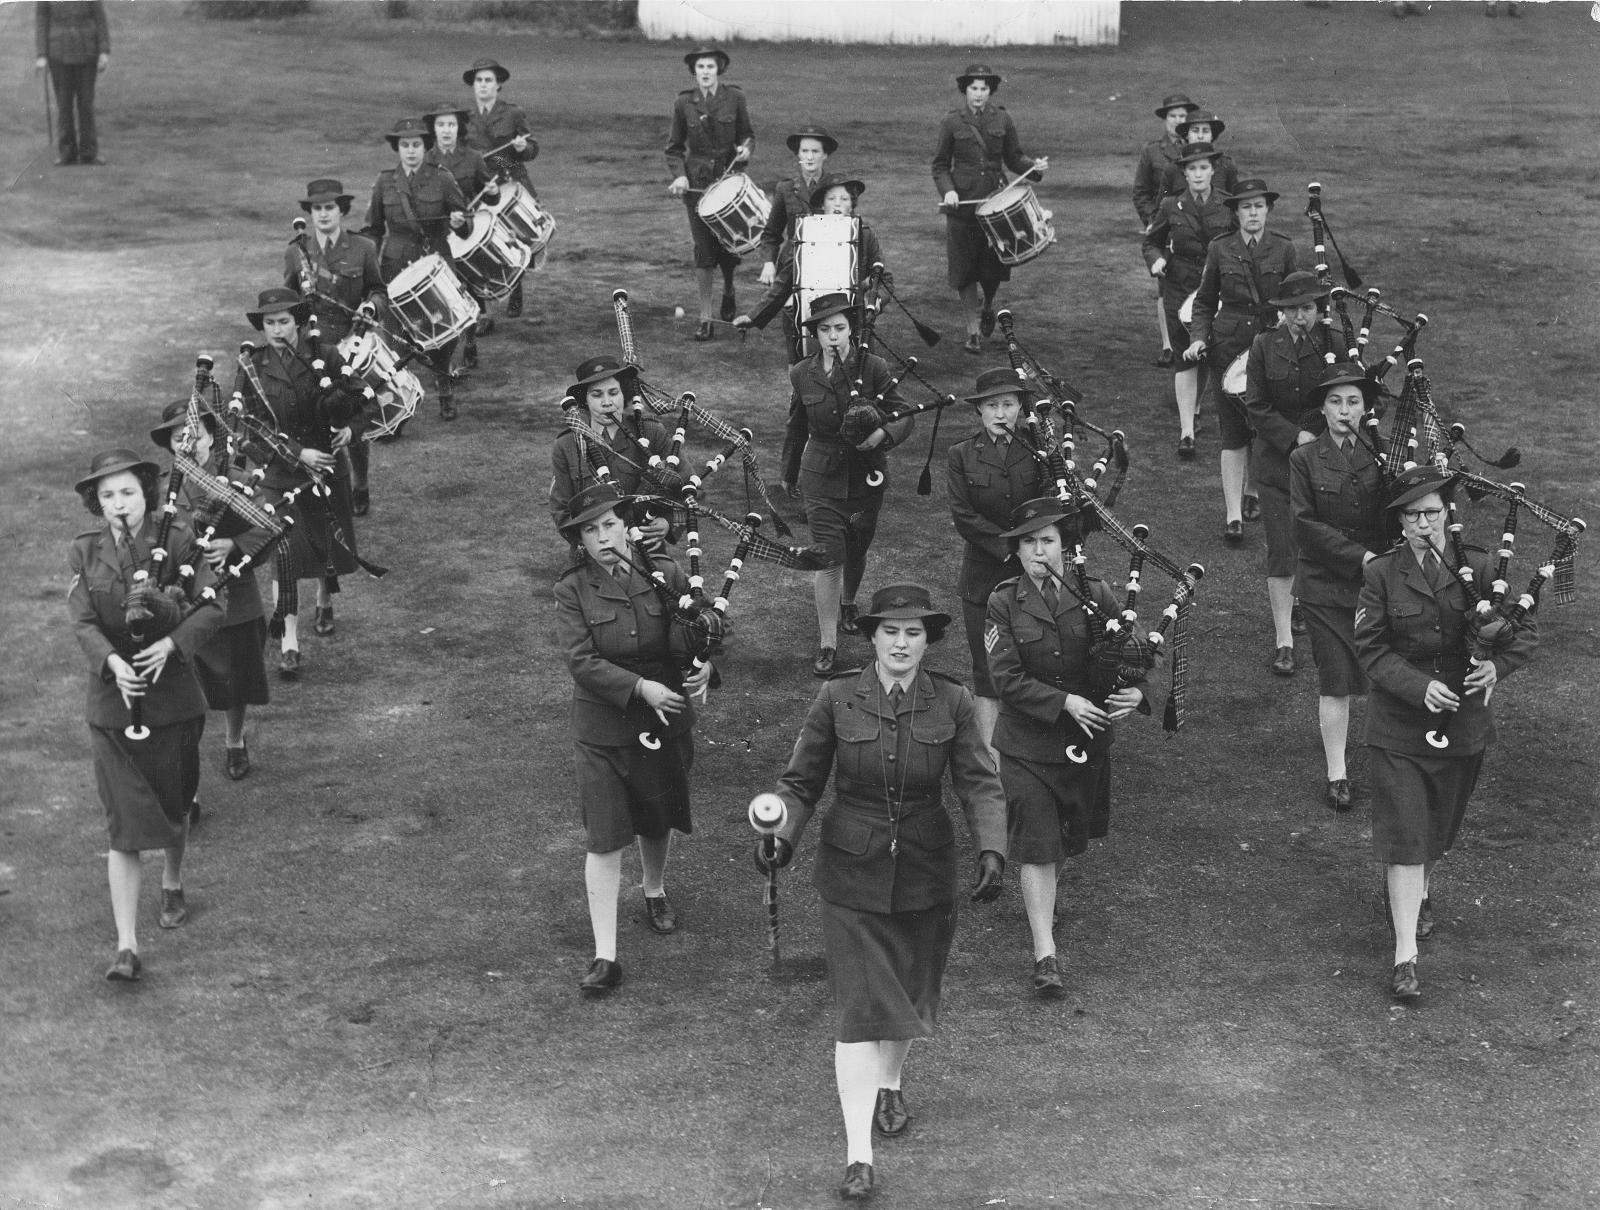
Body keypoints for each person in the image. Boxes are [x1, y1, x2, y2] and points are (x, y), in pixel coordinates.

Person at [755, 583, 1006, 1202]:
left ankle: (891, 1083)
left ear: (928, 640)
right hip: (850, 873)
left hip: (925, 870)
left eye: (913, 632)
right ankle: (857, 1153)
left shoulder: (952, 700)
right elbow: (800, 781)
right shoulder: (837, 696)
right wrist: (780, 838)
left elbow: (979, 782)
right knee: (859, 1013)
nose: (901, 642)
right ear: (870, 637)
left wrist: (993, 848)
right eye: (890, 631)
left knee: (908, 994)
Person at [1355, 466, 1537, 1001]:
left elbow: (1523, 634)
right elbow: (1369, 648)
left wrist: (1496, 669)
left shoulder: (1480, 568)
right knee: (1408, 835)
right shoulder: (1381, 575)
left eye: (1432, 513)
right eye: (1413, 515)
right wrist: (1417, 688)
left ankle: (1421, 892)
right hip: (1399, 726)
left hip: (1462, 726)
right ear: (1400, 522)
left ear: (1446, 515)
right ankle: (1404, 956)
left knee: (1435, 829)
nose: (1424, 524)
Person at [985, 497, 1154, 994]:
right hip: (1026, 744)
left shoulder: (1096, 593)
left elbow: (1140, 651)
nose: (1040, 551)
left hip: (1085, 743)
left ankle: (1045, 906)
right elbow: (1005, 678)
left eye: (1048, 541)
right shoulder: (1002, 602)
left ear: (1065, 546)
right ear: (1016, 551)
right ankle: (1045, 953)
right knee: (1038, 843)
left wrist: (1139, 691)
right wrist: (1064, 702)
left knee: (1063, 842)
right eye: (1030, 543)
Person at [69, 448, 223, 982]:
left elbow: (212, 605)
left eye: (128, 492)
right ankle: (127, 946)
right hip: (113, 706)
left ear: (145, 494)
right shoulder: (86, 552)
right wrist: (111, 661)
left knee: (174, 805)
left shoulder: (178, 538)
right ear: (97, 503)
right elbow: (84, 621)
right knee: (124, 825)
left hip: (172, 699)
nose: (119, 504)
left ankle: (173, 880)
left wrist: (173, 646)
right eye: (108, 495)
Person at [553, 481, 713, 994]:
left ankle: (655, 888)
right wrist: (640, 687)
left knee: (657, 811)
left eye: (609, 525)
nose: (602, 538)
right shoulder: (571, 588)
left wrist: (706, 665)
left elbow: (705, 624)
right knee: (604, 833)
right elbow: (582, 661)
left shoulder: (664, 572)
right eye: (590, 531)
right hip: (604, 724)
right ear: (580, 540)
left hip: (664, 717)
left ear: (626, 524)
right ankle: (606, 955)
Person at [233, 287, 369, 680]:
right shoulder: (251, 366)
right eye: (269, 323)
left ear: (297, 321)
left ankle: (326, 598)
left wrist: (349, 430)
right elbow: (248, 427)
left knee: (326, 543)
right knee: (285, 558)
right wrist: (296, 454)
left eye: (283, 321)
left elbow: (362, 397)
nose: (276, 329)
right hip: (280, 474)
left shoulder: (325, 356)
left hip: (326, 466)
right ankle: (289, 641)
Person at [781, 293, 913, 677]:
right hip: (819, 477)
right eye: (825, 330)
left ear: (851, 329)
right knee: (828, 557)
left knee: (856, 549)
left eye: (839, 328)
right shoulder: (801, 373)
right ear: (815, 335)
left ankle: (849, 602)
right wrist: (788, 473)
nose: (833, 336)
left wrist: (883, 436)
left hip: (865, 476)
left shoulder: (873, 366)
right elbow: (796, 427)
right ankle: (827, 643)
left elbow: (903, 413)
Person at [149, 400, 273, 783]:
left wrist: (234, 545)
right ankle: (190, 772)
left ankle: (235, 741)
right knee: (185, 693)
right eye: (179, 438)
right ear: (171, 446)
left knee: (236, 681)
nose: (189, 443)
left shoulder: (235, 477)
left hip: (233, 597)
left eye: (196, 434)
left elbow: (268, 523)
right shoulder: (162, 490)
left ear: (209, 437)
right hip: (181, 603)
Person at [1289, 364, 1386, 812]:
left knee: (1384, 674)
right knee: (1336, 681)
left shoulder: (1382, 454)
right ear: (1322, 409)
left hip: (1377, 587)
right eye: (1335, 401)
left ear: (1366, 408)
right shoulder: (1304, 459)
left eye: (1353, 401)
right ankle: (1337, 773)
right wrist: (1361, 558)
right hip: (1324, 586)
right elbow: (1305, 526)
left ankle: (1391, 760)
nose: (1344, 410)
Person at [1187, 178, 1299, 540]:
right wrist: (1199, 339)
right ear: (1236, 213)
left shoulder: (1284, 248)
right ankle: (1233, 513)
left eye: (1258, 206)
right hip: (1227, 348)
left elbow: (1296, 298)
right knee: (1232, 432)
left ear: (1267, 210)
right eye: (1246, 207)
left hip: (1270, 349)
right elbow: (1205, 301)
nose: (1253, 213)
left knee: (1264, 425)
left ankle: (1254, 490)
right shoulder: (1220, 249)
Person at [945, 368, 1042, 754]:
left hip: (1034, 573)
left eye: (1008, 404)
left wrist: (1030, 549)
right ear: (979, 411)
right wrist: (1012, 547)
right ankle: (990, 759)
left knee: (1033, 661)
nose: (1001, 413)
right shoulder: (961, 455)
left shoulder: (1039, 450)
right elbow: (964, 516)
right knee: (986, 671)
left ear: (1020, 406)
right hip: (983, 578)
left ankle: (1028, 746)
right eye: (992, 405)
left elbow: (1051, 503)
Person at [1244, 270, 1334, 673]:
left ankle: (1307, 609)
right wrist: (1295, 436)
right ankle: (1284, 641)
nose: (1302, 317)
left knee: (1316, 546)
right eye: (1295, 310)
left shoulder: (1334, 343)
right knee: (1282, 549)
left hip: (1323, 461)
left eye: (1309, 308)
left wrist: (1317, 433)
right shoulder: (1264, 345)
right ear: (1282, 312)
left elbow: (1347, 395)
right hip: (1277, 464)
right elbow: (1256, 406)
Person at [932, 63, 1048, 355]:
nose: (979, 94)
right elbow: (940, 165)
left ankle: (988, 305)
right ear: (965, 90)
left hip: (997, 204)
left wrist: (1034, 168)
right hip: (963, 208)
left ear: (990, 91)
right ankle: (972, 331)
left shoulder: (1004, 119)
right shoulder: (951, 122)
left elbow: (1014, 157)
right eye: (974, 88)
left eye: (984, 89)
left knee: (994, 267)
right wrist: (949, 192)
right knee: (965, 270)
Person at [285, 179, 384, 516]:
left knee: (352, 416)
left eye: (330, 208)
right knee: (314, 416)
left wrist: (371, 308)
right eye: (317, 209)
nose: (324, 214)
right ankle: (326, 485)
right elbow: (287, 301)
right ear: (310, 213)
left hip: (351, 342)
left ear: (341, 210)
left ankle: (360, 482)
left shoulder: (363, 248)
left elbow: (377, 290)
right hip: (312, 348)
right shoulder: (296, 252)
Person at [363, 116, 469, 421]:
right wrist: (367, 266)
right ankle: (397, 399)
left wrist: (462, 222)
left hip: (436, 259)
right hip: (396, 263)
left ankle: (444, 385)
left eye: (417, 145)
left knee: (446, 327)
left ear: (425, 147)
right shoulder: (384, 182)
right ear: (398, 148)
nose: (411, 151)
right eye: (405, 145)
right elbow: (373, 229)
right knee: (395, 333)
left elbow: (463, 225)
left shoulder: (443, 178)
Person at [1142, 142, 1234, 462]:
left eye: (1203, 168)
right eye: (1191, 169)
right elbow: (1151, 241)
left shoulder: (1228, 205)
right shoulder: (1170, 205)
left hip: (1215, 292)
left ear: (1213, 171)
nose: (1197, 174)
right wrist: (1155, 261)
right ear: (1184, 172)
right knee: (1185, 359)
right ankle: (1186, 432)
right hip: (1179, 288)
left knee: (1205, 355)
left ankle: (1194, 408)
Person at [735, 174, 886, 364]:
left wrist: (876, 298)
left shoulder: (865, 235)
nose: (837, 204)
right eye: (831, 199)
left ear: (852, 205)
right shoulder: (808, 235)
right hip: (815, 319)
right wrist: (754, 316)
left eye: (844, 199)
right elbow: (785, 281)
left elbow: (884, 279)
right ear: (822, 205)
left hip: (854, 318)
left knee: (859, 376)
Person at [665, 45, 754, 342]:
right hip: (697, 186)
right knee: (703, 250)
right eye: (700, 67)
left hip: (728, 180)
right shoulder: (683, 103)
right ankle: (706, 318)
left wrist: (745, 149)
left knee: (728, 246)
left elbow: (747, 134)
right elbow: (674, 147)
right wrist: (679, 175)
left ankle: (729, 288)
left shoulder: (735, 98)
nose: (705, 72)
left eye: (710, 67)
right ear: (695, 71)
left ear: (719, 70)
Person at [548, 356, 675, 552]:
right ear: (585, 401)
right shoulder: (567, 445)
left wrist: (667, 522)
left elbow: (687, 485)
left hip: (649, 552)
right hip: (594, 555)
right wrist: (597, 539)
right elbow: (561, 511)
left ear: (624, 395)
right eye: (597, 395)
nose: (607, 403)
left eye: (613, 393)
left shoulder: (651, 432)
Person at [461, 58, 538, 322]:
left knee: (513, 240)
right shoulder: (465, 118)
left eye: (488, 81)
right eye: (479, 81)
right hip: (479, 187)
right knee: (480, 244)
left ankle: (515, 291)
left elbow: (531, 148)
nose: (483, 86)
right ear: (473, 86)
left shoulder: (513, 113)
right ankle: (482, 308)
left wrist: (519, 150)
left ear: (498, 85)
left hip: (508, 179)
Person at [426, 100, 499, 367]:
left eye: (451, 125)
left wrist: (492, 193)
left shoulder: (473, 158)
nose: (446, 130)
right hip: (435, 234)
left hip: (466, 233)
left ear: (459, 128)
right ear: (433, 129)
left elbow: (490, 197)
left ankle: (470, 342)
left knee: (466, 289)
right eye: (441, 124)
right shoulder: (424, 160)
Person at [1132, 92, 1195, 367]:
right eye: (1173, 116)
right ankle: (1168, 344)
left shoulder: (1197, 148)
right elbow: (1141, 192)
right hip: (1164, 227)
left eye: (1183, 117)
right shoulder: (1152, 151)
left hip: (1194, 227)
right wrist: (1152, 220)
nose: (1178, 121)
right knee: (1165, 285)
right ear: (1165, 120)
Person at [35, 1, 109, 167]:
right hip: (58, 54)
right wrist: (41, 54)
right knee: (64, 105)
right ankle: (67, 153)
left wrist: (104, 50)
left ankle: (89, 153)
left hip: (87, 52)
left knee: (86, 104)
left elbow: (100, 18)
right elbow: (41, 20)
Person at [1164, 111, 1241, 200]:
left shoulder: (1226, 165)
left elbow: (1235, 201)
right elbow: (1163, 207)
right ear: (1187, 135)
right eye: (1195, 131)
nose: (1200, 136)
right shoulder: (1173, 168)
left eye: (1205, 131)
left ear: (1212, 135)